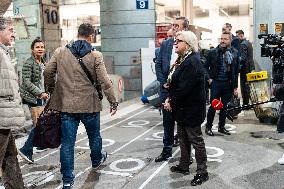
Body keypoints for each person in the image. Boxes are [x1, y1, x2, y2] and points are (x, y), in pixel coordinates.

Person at [44, 23, 118, 188]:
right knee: (94, 136)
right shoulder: (95, 55)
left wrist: (51, 89)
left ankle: (68, 181)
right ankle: (96, 160)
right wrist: (113, 100)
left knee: (68, 143)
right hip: (89, 105)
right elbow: (105, 81)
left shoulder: (60, 52)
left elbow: (48, 71)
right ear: (91, 36)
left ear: (78, 34)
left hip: (66, 107)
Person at [163, 30, 209, 186]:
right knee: (182, 138)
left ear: (188, 44)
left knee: (196, 140)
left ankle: (202, 172)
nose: (175, 43)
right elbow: (177, 83)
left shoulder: (193, 62)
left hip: (191, 109)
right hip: (182, 108)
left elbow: (184, 88)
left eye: (178, 40)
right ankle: (184, 165)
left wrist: (170, 100)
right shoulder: (183, 59)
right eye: (175, 40)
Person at [155, 16, 190, 162]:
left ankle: (186, 154)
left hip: (181, 91)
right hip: (166, 90)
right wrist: (163, 82)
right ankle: (167, 149)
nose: (174, 27)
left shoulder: (190, 45)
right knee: (167, 122)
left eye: (177, 25)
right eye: (173, 25)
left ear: (185, 28)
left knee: (184, 123)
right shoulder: (166, 44)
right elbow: (158, 64)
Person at [0, 15, 25, 189]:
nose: (14, 34)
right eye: (10, 30)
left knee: (11, 157)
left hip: (6, 117)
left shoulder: (3, 51)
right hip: (1, 116)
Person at [18, 37, 49, 163]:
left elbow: (43, 80)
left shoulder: (42, 62)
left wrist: (46, 92)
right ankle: (26, 149)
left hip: (42, 96)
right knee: (38, 124)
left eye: (42, 47)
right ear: (32, 49)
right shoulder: (29, 63)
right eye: (37, 47)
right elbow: (26, 81)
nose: (40, 49)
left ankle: (40, 143)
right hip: (33, 97)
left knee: (41, 122)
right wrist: (40, 92)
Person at [204, 31, 239, 136]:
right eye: (221, 38)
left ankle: (221, 126)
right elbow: (205, 67)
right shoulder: (213, 52)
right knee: (214, 106)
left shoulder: (235, 53)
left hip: (228, 84)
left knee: (224, 107)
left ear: (230, 40)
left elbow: (235, 71)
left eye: (225, 39)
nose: (223, 41)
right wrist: (209, 78)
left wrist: (235, 87)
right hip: (216, 83)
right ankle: (208, 127)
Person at [236, 30, 255, 107]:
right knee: (249, 85)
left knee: (244, 86)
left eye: (237, 36)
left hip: (245, 67)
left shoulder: (243, 44)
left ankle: (245, 103)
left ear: (241, 35)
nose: (237, 38)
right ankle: (250, 103)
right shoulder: (249, 43)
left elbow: (243, 58)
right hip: (250, 66)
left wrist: (236, 60)